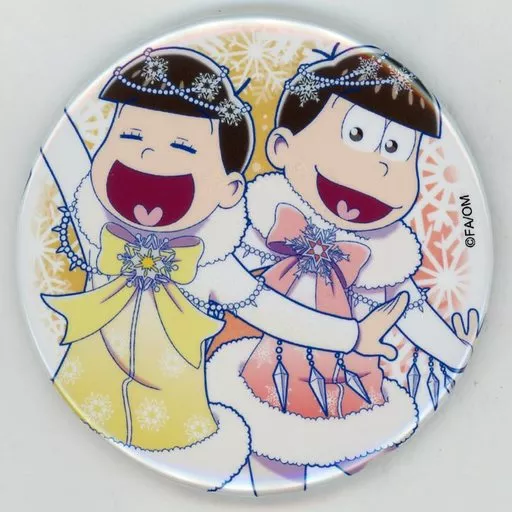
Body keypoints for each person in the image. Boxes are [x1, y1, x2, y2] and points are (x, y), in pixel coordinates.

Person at [41, 46, 406, 490]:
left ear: (231, 190)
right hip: (77, 404)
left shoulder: (212, 265)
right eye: (131, 136)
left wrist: (352, 337)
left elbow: (271, 312)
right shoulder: (98, 230)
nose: (150, 154)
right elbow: (61, 155)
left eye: (181, 146)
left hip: (173, 423)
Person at [208, 45, 478, 493]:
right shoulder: (263, 222)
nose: (378, 165)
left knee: (356, 475)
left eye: (395, 149)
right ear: (282, 147)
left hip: (343, 382)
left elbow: (409, 311)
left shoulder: (382, 262)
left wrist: (454, 351)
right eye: (355, 134)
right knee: (260, 458)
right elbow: (224, 274)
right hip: (260, 370)